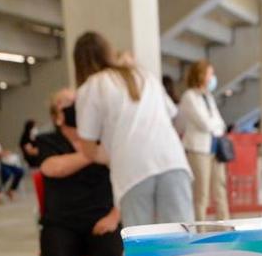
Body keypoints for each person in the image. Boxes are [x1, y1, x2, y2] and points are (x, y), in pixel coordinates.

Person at [72, 31, 193, 227]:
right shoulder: (143, 75)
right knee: (180, 239)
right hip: (172, 160)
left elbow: (87, 146)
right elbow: (172, 115)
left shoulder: (92, 86)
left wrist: (110, 155)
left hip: (132, 169)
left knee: (140, 243)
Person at [36, 88, 121, 256]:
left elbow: (125, 179)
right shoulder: (47, 140)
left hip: (102, 218)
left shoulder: (104, 138)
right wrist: (92, 154)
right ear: (58, 115)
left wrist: (115, 216)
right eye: (68, 103)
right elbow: (53, 168)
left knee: (110, 253)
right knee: (54, 254)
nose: (76, 107)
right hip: (61, 222)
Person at [178, 60, 229, 221]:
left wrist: (214, 125)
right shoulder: (189, 97)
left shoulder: (208, 96)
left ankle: (226, 226)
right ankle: (200, 230)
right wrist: (214, 124)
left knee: (220, 190)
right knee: (202, 194)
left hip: (215, 150)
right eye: (210, 74)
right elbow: (204, 123)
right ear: (201, 75)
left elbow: (220, 123)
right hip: (198, 151)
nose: (212, 78)